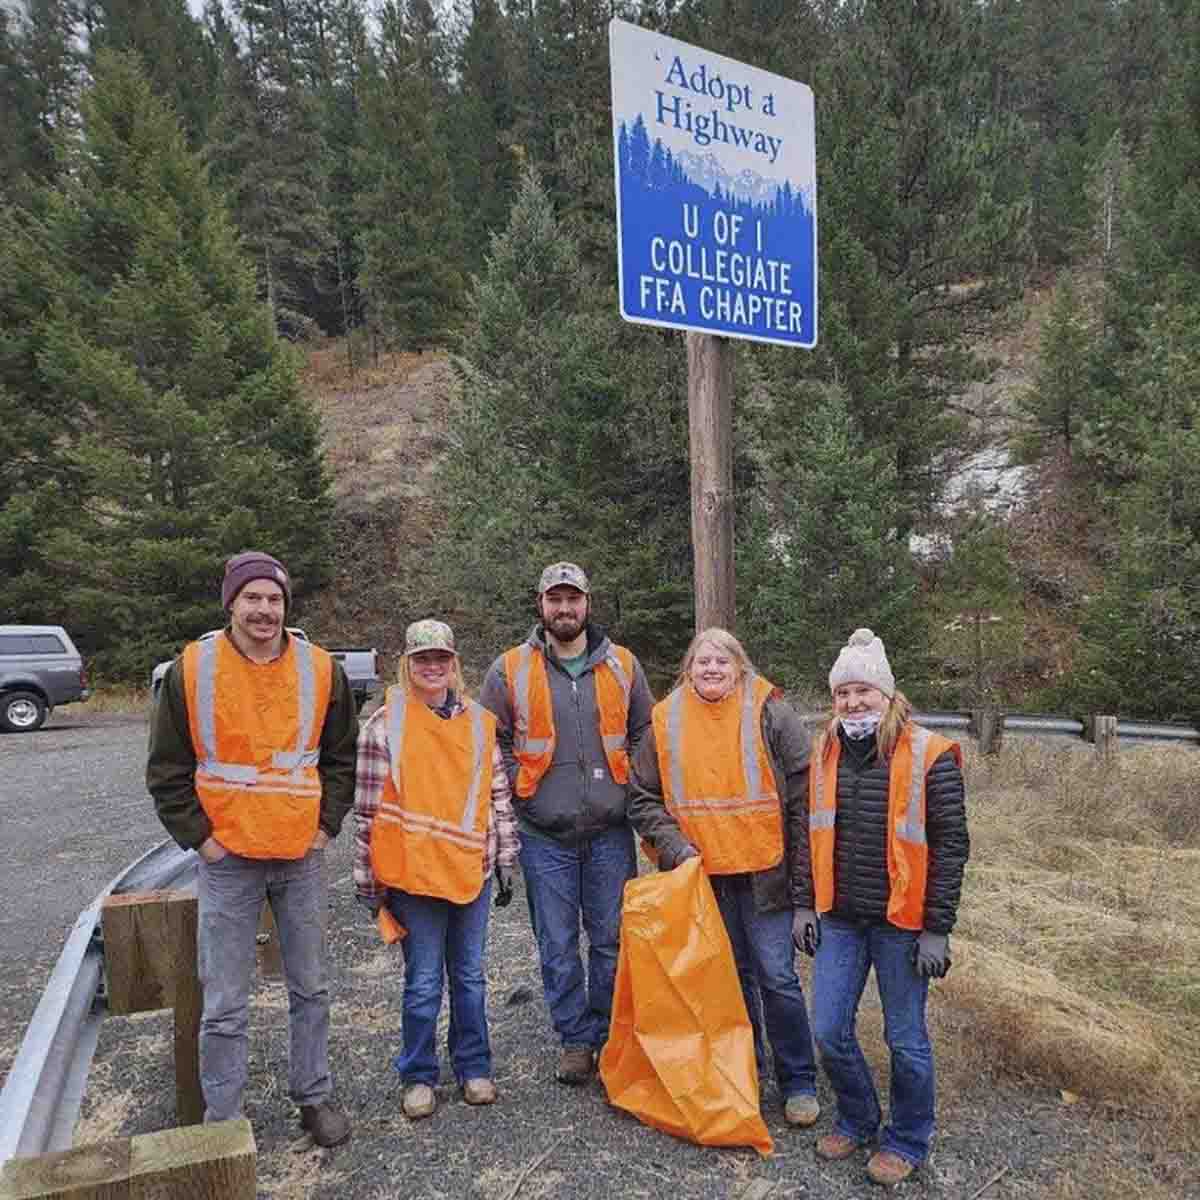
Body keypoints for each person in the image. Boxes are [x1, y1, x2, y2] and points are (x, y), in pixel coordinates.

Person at [147, 551, 358, 1147]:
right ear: (231, 603)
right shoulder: (193, 669)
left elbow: (343, 756)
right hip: (228, 859)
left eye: (274, 599)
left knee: (311, 986)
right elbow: (167, 768)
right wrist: (202, 841)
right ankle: (223, 1122)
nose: (264, 610)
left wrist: (326, 827)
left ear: (286, 606)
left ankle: (313, 1097)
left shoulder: (321, 669)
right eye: (253, 598)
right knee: (224, 999)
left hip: (300, 855)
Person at [793, 629, 970, 1187]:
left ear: (888, 694)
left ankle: (908, 1137)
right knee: (828, 1030)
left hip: (903, 923)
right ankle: (859, 1116)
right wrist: (804, 905)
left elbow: (951, 846)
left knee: (905, 1039)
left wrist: (937, 929)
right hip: (841, 919)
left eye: (863, 691)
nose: (852, 703)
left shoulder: (930, 755)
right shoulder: (824, 749)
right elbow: (808, 835)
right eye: (842, 694)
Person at [627, 627, 820, 1127]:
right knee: (727, 982)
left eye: (722, 661)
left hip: (765, 875)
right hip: (703, 878)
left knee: (777, 978)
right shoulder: (664, 720)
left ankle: (799, 1080)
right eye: (702, 661)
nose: (712, 669)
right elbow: (641, 797)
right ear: (687, 669)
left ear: (740, 666)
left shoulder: (770, 710)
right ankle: (745, 1074)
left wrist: (805, 889)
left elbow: (805, 800)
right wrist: (675, 847)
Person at [479, 561, 654, 1084]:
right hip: (543, 835)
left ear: (587, 604)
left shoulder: (623, 665)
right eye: (554, 599)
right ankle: (574, 1039)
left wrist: (634, 795)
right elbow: (490, 741)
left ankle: (607, 1034)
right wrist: (519, 785)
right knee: (556, 943)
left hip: (610, 832)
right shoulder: (508, 669)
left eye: (572, 599)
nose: (564, 608)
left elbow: (647, 731)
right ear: (540, 606)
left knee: (610, 940)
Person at [352, 619, 519, 1120]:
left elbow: (497, 796)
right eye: (422, 659)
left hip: (471, 872)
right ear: (407, 664)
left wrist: (507, 858)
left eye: (441, 659)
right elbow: (367, 814)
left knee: (469, 977)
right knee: (423, 982)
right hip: (414, 878)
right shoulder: (384, 726)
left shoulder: (479, 724)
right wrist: (368, 883)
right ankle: (418, 1074)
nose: (432, 667)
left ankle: (473, 1067)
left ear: (453, 665)